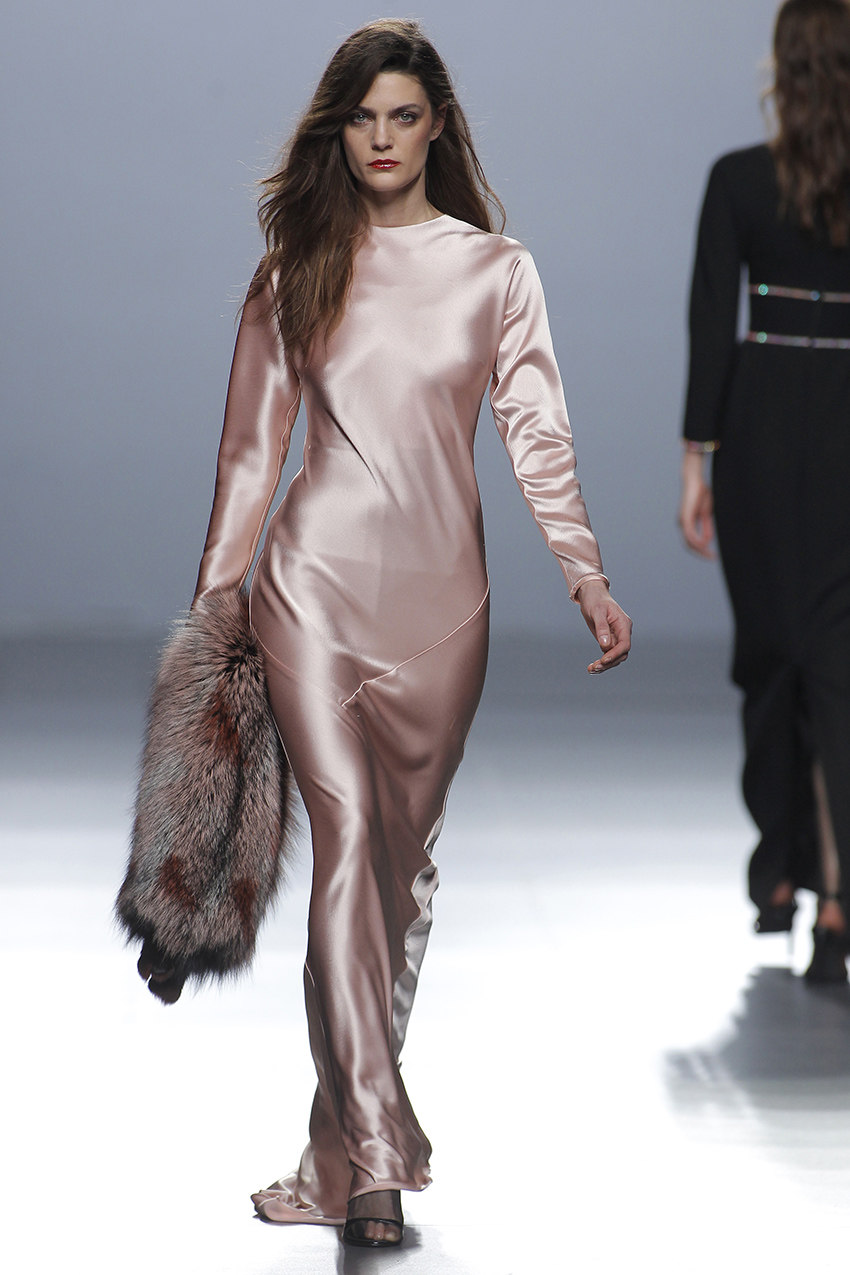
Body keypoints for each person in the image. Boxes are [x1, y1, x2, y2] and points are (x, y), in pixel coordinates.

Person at [194, 18, 631, 1248]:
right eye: (361, 118)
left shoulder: (496, 272)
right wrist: (214, 613)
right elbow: (249, 456)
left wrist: (585, 574)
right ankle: (380, 1166)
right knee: (344, 857)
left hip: (444, 617)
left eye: (402, 116)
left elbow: (537, 433)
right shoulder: (297, 266)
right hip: (310, 597)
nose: (381, 139)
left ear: (438, 126)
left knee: (397, 891)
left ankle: (332, 1156)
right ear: (337, 131)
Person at [679, 0, 850, 983]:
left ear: (782, 67)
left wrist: (693, 461)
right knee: (837, 662)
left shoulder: (740, 180)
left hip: (761, 428)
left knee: (776, 656)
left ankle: (782, 873)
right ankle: (832, 892)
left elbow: (713, 321)